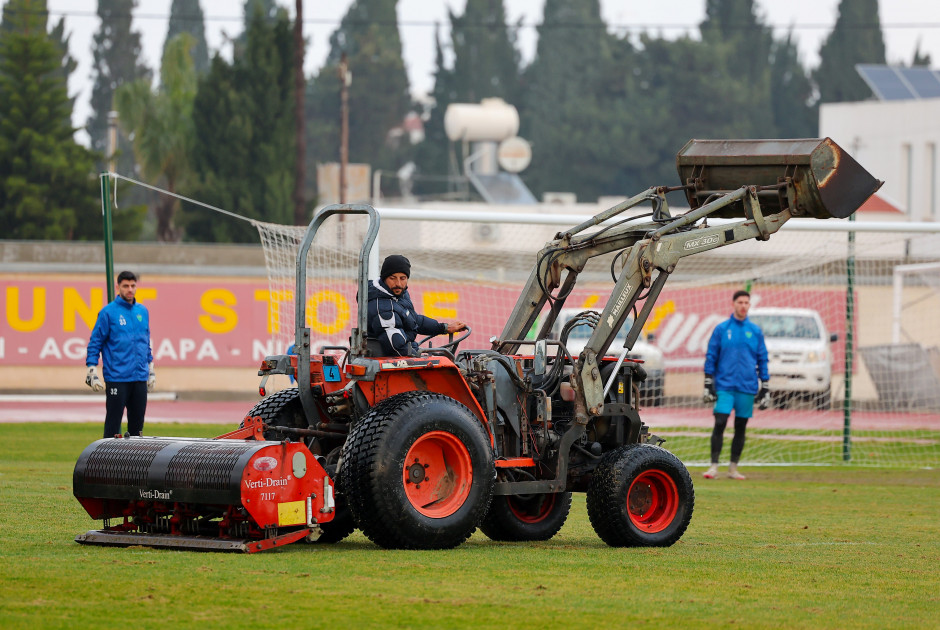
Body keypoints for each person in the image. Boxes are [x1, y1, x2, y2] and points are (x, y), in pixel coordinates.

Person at [702, 289, 770, 480]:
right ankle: (714, 467)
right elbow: (711, 355)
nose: (743, 306)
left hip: (747, 387)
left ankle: (733, 468)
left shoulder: (755, 331)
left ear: (749, 305)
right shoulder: (722, 329)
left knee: (741, 427)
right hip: (725, 386)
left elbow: (762, 358)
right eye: (740, 302)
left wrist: (765, 385)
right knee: (720, 422)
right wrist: (708, 382)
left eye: (746, 303)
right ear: (733, 304)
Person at [85, 270, 155, 438]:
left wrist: (151, 368)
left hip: (139, 377)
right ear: (118, 287)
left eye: (133, 285)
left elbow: (145, 342)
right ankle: (106, 456)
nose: (130, 289)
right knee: (113, 426)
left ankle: (134, 456)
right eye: (125, 286)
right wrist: (91, 369)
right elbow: (95, 342)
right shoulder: (108, 313)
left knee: (137, 429)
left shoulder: (142, 311)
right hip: (117, 377)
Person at [367, 254, 467, 357]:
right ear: (384, 278)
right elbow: (397, 349)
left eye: (403, 278)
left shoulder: (398, 293)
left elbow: (413, 319)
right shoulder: (383, 308)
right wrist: (421, 357)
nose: (398, 284)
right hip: (393, 359)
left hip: (408, 351)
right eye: (393, 278)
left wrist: (444, 328)